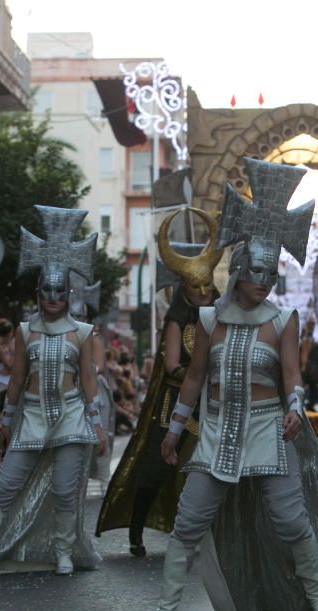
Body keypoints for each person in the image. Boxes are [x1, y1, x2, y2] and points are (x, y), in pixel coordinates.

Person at [138, 159, 318, 611]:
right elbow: (193, 380)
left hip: (270, 431)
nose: (264, 280)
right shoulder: (209, 320)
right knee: (188, 524)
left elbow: (292, 376)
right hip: (215, 432)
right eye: (256, 271)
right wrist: (173, 432)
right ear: (238, 270)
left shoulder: (282, 321)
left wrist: (296, 408)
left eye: (270, 273)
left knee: (292, 522)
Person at [0, 205, 108, 578]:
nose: (53, 296)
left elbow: (88, 381)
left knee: (64, 489)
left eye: (59, 290)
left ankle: (63, 553)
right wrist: (6, 420)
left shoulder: (83, 333)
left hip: (72, 416)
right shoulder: (25, 331)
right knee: (5, 486)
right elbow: (18, 378)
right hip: (32, 416)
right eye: (47, 290)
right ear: (39, 292)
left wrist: (97, 423)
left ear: (67, 293)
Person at [97, 207, 222, 558]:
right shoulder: (177, 320)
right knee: (156, 467)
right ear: (184, 288)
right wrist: (201, 375)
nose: (201, 293)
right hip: (177, 401)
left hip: (215, 400)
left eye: (206, 287)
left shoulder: (224, 317)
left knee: (211, 469)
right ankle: (137, 529)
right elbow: (171, 365)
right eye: (194, 287)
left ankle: (204, 534)